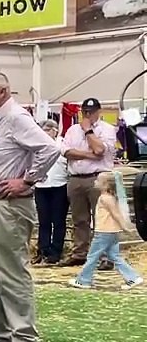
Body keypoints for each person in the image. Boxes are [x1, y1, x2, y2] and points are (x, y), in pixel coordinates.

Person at [0, 72, 61, 342]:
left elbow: (50, 149)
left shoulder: (17, 117)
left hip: (9, 206)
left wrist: (28, 180)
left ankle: (24, 337)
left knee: (11, 270)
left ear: (3, 91)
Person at [60, 98, 119, 268]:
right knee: (79, 219)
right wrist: (90, 155)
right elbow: (66, 151)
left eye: (91, 112)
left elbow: (100, 149)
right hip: (76, 177)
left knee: (102, 218)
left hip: (99, 178)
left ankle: (106, 256)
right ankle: (80, 253)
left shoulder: (107, 129)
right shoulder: (72, 130)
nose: (88, 115)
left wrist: (88, 131)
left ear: (98, 112)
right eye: (85, 111)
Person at [69, 171, 143, 290]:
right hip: (110, 232)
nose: (95, 182)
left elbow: (116, 214)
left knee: (92, 256)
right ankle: (133, 278)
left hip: (104, 232)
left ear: (106, 185)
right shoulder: (108, 198)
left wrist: (124, 227)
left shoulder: (106, 198)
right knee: (114, 256)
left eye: (98, 180)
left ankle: (83, 280)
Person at [34, 120, 69, 265]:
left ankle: (56, 252)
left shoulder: (63, 145)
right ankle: (43, 250)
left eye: (48, 130)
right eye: (43, 130)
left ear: (55, 131)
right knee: (44, 221)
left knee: (58, 220)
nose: (46, 133)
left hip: (59, 185)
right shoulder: (35, 145)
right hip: (41, 186)